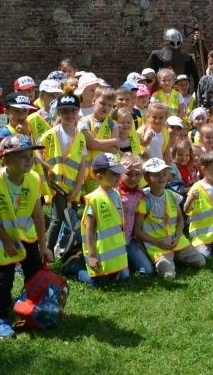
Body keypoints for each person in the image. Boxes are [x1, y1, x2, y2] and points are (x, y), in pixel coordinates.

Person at [0, 135, 52, 338]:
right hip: (1, 239)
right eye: (22, 156)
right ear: (6, 160)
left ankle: (32, 309)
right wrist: (7, 241)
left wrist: (43, 246)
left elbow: (38, 215)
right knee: (4, 279)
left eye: (30, 156)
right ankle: (1, 317)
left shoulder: (33, 178)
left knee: (34, 273)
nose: (29, 160)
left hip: (26, 236)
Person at [134, 158, 206, 279]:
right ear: (146, 178)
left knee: (201, 262)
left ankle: (174, 256)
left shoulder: (172, 195)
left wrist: (177, 238)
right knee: (168, 276)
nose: (162, 177)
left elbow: (180, 220)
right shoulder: (143, 200)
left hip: (177, 241)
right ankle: (167, 260)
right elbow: (137, 231)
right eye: (156, 175)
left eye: (164, 174)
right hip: (157, 246)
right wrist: (158, 242)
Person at [38, 93, 87, 252]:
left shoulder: (80, 137)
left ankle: (65, 249)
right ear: (58, 113)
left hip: (73, 186)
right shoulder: (51, 134)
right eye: (65, 111)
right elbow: (37, 152)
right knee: (58, 217)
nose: (69, 114)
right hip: (57, 185)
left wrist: (78, 187)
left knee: (71, 217)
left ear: (78, 112)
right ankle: (47, 251)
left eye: (73, 111)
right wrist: (46, 167)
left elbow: (82, 164)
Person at [75, 153, 131, 286]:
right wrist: (92, 256)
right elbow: (89, 229)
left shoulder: (116, 193)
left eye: (119, 173)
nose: (118, 177)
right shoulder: (94, 199)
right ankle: (73, 266)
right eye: (114, 174)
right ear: (99, 177)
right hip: (101, 253)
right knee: (99, 283)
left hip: (116, 252)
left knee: (124, 277)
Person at [117, 154, 156, 276]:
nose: (133, 178)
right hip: (114, 243)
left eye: (137, 174)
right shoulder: (113, 190)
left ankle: (128, 260)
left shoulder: (140, 194)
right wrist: (118, 169)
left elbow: (139, 220)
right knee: (123, 275)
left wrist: (139, 238)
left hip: (129, 240)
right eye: (128, 174)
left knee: (148, 271)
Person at [78, 86, 120, 192]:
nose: (106, 107)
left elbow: (114, 150)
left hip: (107, 172)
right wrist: (114, 141)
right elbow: (91, 144)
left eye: (110, 105)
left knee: (108, 197)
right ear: (93, 101)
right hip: (88, 173)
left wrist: (95, 144)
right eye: (102, 103)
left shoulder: (113, 125)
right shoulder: (83, 122)